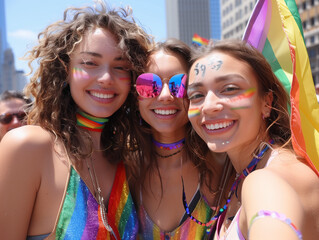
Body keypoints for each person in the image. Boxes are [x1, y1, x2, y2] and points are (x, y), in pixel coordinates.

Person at [0, 1, 152, 239]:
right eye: (90, 63)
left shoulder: (127, 159)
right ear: (65, 71)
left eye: (120, 66)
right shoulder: (27, 146)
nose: (106, 78)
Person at [187, 40, 319, 240]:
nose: (208, 106)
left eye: (230, 88)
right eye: (196, 95)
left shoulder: (265, 180)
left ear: (266, 102)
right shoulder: (240, 173)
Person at [128, 38, 230, 239]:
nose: (165, 95)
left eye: (180, 84)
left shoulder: (224, 164)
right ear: (135, 96)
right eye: (149, 84)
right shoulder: (126, 168)